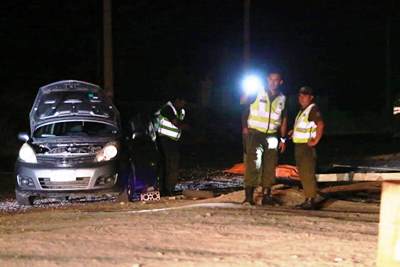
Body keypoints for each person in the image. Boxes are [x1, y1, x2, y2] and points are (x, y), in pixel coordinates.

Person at [242, 71, 288, 205]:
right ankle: (249, 197)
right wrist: (245, 127)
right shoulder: (257, 91)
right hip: (255, 133)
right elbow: (243, 104)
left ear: (280, 82)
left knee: (270, 165)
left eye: (276, 80)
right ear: (267, 80)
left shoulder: (283, 98)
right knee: (253, 163)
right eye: (271, 80)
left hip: (272, 135)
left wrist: (283, 139)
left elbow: (284, 119)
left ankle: (267, 196)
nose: (273, 82)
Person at [291, 86, 324, 210]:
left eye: (305, 95)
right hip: (300, 145)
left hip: (306, 147)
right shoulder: (303, 110)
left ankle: (311, 200)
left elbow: (320, 124)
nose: (301, 98)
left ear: (311, 97)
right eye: (300, 95)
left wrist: (315, 140)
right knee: (304, 173)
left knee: (307, 173)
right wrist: (292, 132)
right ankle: (308, 199)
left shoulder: (312, 109)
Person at [154, 97, 187, 196]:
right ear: (177, 100)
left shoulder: (176, 110)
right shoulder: (168, 109)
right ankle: (166, 189)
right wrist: (184, 126)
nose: (183, 105)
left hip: (170, 140)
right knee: (170, 164)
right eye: (182, 102)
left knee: (169, 165)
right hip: (165, 140)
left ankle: (167, 189)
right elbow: (176, 123)